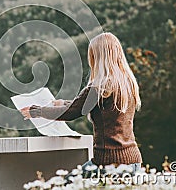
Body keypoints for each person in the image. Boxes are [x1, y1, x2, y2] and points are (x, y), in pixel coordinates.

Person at [20, 32, 142, 177]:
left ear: (97, 58)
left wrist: (37, 111)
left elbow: (71, 112)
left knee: (65, 185)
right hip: (133, 161)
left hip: (109, 163)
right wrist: (63, 103)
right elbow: (85, 105)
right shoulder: (127, 85)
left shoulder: (100, 87)